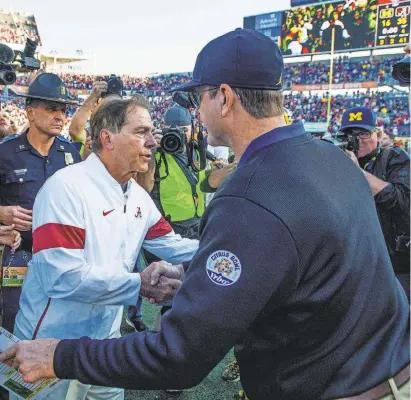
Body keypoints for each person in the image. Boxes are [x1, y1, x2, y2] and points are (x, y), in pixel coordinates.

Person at [2, 29, 410, 400]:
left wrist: (151, 286)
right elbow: (62, 275)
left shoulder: (247, 194)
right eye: (141, 132)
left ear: (225, 98)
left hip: (343, 388)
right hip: (390, 373)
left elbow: (180, 352)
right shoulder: (335, 160)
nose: (159, 138)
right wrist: (175, 280)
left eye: (199, 97)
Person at [11, 95, 198, 400]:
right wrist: (140, 285)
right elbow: (62, 278)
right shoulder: (66, 187)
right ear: (107, 138)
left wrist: (231, 251)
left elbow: (175, 246)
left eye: (152, 132)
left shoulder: (136, 197)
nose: (153, 142)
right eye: (141, 132)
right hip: (49, 345)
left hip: (104, 344)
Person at [0, 73, 82, 336]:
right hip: (19, 253)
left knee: (55, 322)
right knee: (14, 320)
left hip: (61, 255)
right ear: (30, 112)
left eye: (63, 109)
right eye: (51, 108)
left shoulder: (71, 153)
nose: (60, 116)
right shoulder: (5, 153)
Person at [341, 106, 410, 299]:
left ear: (377, 135)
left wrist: (358, 173)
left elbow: (403, 201)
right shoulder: (339, 161)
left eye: (363, 134)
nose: (357, 141)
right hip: (358, 262)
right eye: (350, 135)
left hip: (396, 264)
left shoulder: (394, 158)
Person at [151, 105, 207, 240]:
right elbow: (142, 186)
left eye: (183, 130)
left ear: (192, 129)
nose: (177, 133)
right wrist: (150, 152)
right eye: (171, 129)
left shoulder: (197, 151)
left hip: (198, 224)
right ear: (162, 128)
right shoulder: (154, 154)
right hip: (170, 228)